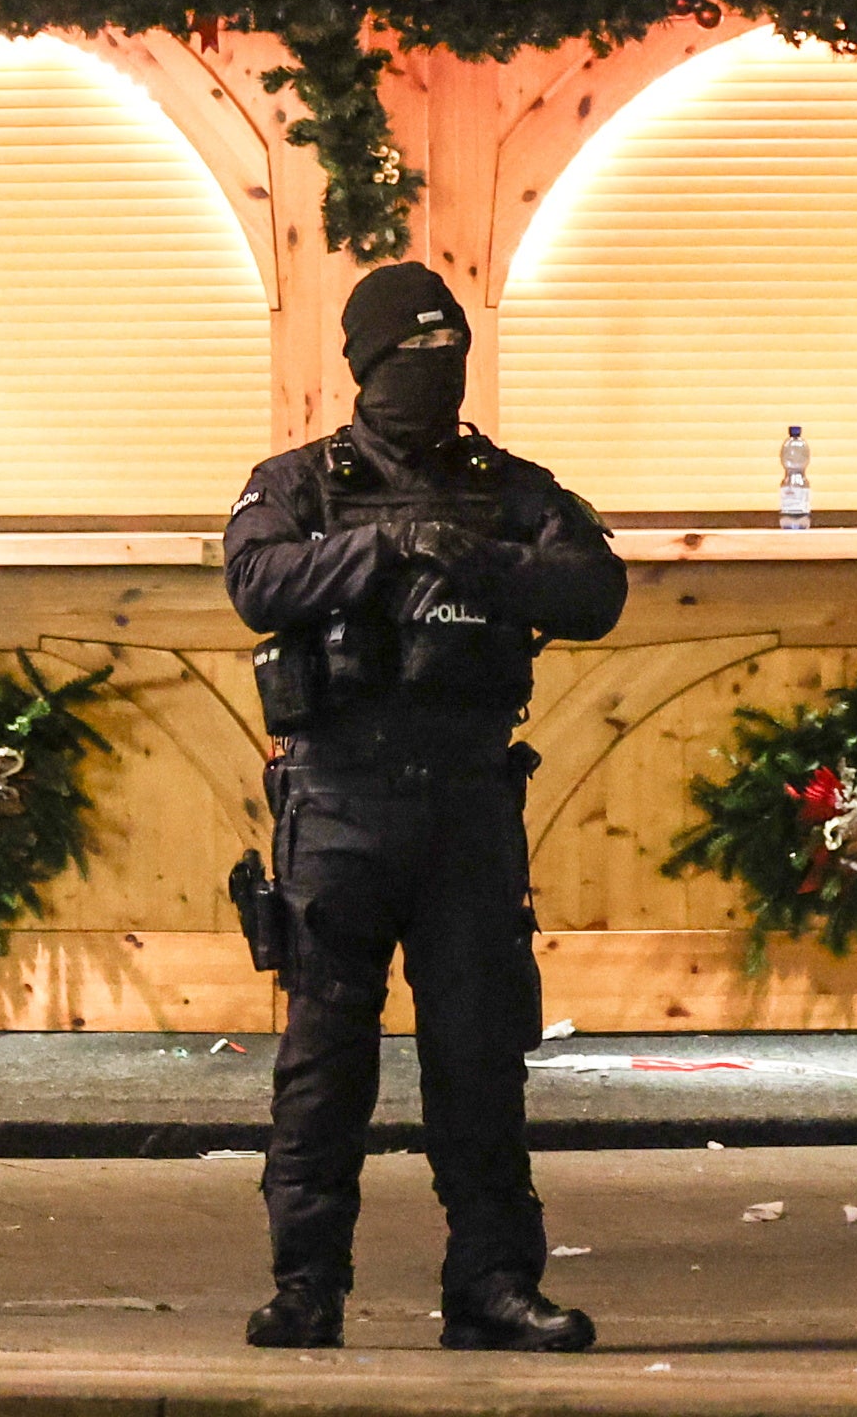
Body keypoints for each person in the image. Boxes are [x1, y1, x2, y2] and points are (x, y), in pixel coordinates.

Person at [222, 261, 627, 1353]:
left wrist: (492, 566)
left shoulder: (507, 484)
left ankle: (492, 1283)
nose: (430, 378)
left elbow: (597, 587)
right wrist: (380, 548)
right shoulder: (302, 482)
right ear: (363, 365)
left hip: (467, 804)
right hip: (339, 800)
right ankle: (307, 1284)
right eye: (409, 358)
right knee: (323, 1061)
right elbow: (255, 579)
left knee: (479, 1056)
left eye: (447, 358)